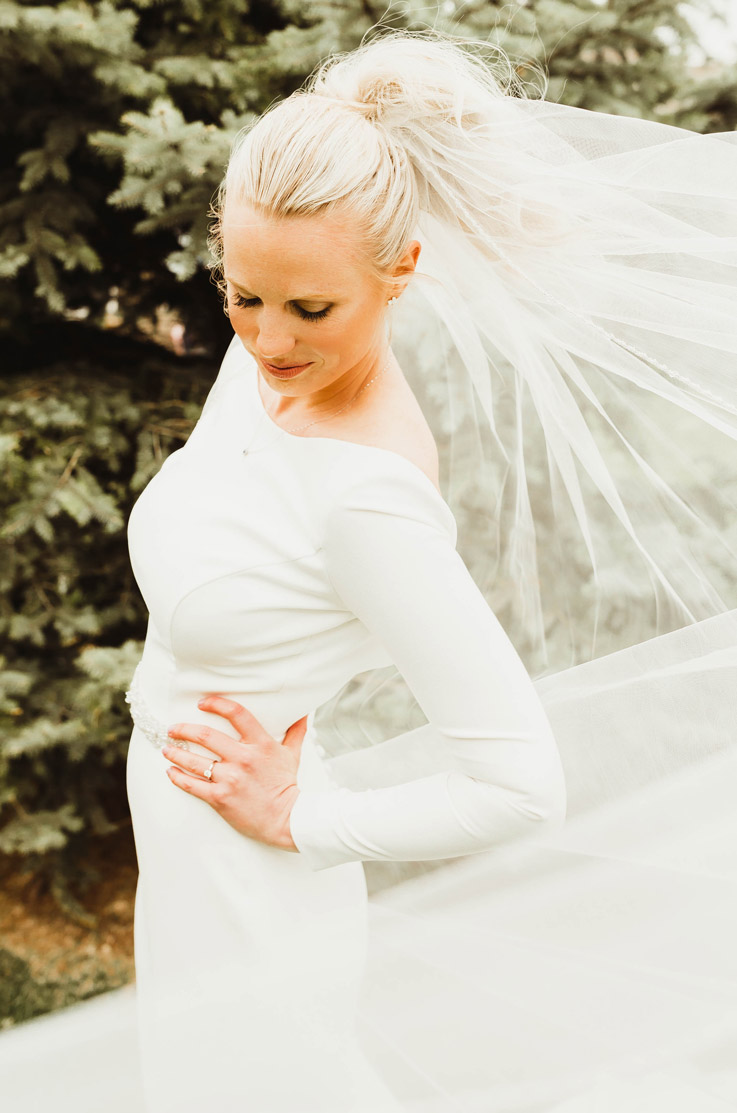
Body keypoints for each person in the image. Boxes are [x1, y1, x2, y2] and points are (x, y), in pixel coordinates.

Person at [125, 25, 737, 1113]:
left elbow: (520, 786)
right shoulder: (268, 363)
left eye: (309, 308)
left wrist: (300, 822)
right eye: (243, 294)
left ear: (400, 271)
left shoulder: (367, 499)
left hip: (253, 886)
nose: (268, 338)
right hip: (180, 859)